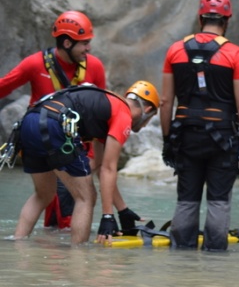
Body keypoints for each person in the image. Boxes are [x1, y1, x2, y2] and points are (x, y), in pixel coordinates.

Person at [160, 0, 239, 251]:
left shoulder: (175, 50)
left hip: (185, 135)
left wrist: (167, 139)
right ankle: (214, 260)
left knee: (186, 199)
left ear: (200, 17)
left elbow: (165, 102)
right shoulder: (235, 54)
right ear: (227, 20)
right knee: (218, 201)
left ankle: (181, 257)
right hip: (222, 138)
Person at [13, 81, 159, 244]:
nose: (145, 125)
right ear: (148, 110)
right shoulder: (123, 114)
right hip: (54, 124)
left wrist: (122, 210)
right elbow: (109, 169)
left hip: (29, 122)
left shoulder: (106, 105)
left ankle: (17, 244)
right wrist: (107, 216)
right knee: (86, 197)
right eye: (149, 119)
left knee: (44, 194)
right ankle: (79, 258)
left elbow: (98, 164)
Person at [0, 10, 107, 229]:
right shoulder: (35, 64)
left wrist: (95, 156)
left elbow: (101, 112)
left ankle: (44, 250)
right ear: (67, 42)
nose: (89, 48)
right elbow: (4, 86)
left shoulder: (94, 67)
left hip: (76, 145)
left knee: (58, 203)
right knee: (65, 204)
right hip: (43, 140)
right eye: (84, 43)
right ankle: (64, 256)